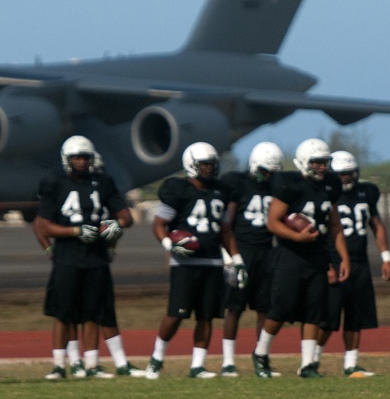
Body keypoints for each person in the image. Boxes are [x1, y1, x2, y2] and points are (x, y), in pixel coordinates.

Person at [34, 136, 139, 379]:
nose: (81, 162)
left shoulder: (102, 182)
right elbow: (45, 227)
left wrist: (115, 225)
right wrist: (75, 231)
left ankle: (92, 365)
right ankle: (59, 365)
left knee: (93, 312)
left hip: (96, 255)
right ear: (66, 159)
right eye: (76, 157)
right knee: (63, 313)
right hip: (67, 254)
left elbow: (126, 217)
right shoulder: (54, 182)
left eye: (85, 157)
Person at [144, 142, 247, 380]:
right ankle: (156, 360)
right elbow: (158, 224)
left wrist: (237, 258)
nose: (209, 169)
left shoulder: (221, 191)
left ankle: (197, 365)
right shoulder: (177, 189)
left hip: (212, 261)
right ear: (192, 165)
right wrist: (169, 244)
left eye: (212, 164)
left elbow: (225, 231)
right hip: (184, 263)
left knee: (206, 315)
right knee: (176, 314)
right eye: (204, 164)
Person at [252, 138, 349, 379]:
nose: (321, 167)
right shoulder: (289, 184)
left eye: (324, 162)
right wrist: (297, 238)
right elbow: (273, 222)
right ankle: (260, 353)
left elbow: (335, 225)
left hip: (317, 255)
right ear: (304, 162)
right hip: (290, 255)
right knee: (280, 309)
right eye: (316, 162)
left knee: (314, 311)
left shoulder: (331, 185)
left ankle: (308, 365)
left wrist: (343, 258)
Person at [316, 150, 390, 377]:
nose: (346, 178)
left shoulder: (366, 192)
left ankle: (351, 364)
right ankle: (312, 362)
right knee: (328, 318)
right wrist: (325, 264)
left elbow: (376, 225)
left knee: (356, 316)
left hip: (359, 262)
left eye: (350, 173)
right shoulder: (326, 194)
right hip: (334, 260)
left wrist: (386, 256)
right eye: (341, 174)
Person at [218, 142, 284, 377]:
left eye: (272, 172)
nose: (268, 176)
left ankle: (261, 359)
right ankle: (228, 361)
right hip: (243, 250)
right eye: (265, 171)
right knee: (234, 308)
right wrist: (231, 256)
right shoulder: (239, 184)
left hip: (267, 251)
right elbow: (227, 223)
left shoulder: (276, 188)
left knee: (264, 308)